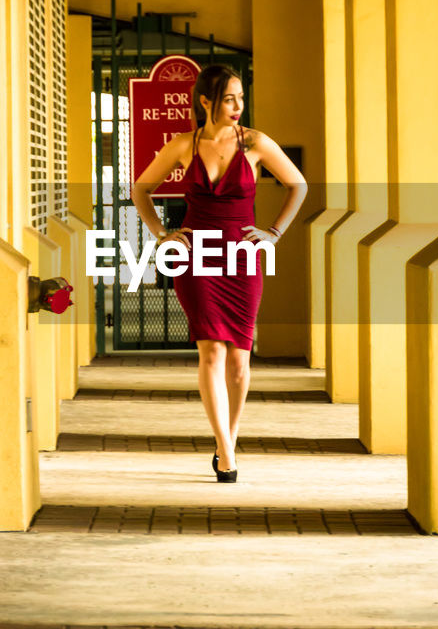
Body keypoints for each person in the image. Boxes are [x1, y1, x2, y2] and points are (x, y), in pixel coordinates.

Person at [130, 64, 308, 483]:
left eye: (241, 97)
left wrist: (273, 234)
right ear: (205, 101)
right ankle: (226, 454)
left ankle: (227, 437)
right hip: (197, 258)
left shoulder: (256, 143)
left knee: (240, 363)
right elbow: (141, 189)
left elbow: (298, 185)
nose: (238, 106)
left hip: (242, 257)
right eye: (229, 98)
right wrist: (162, 234)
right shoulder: (183, 145)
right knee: (211, 351)